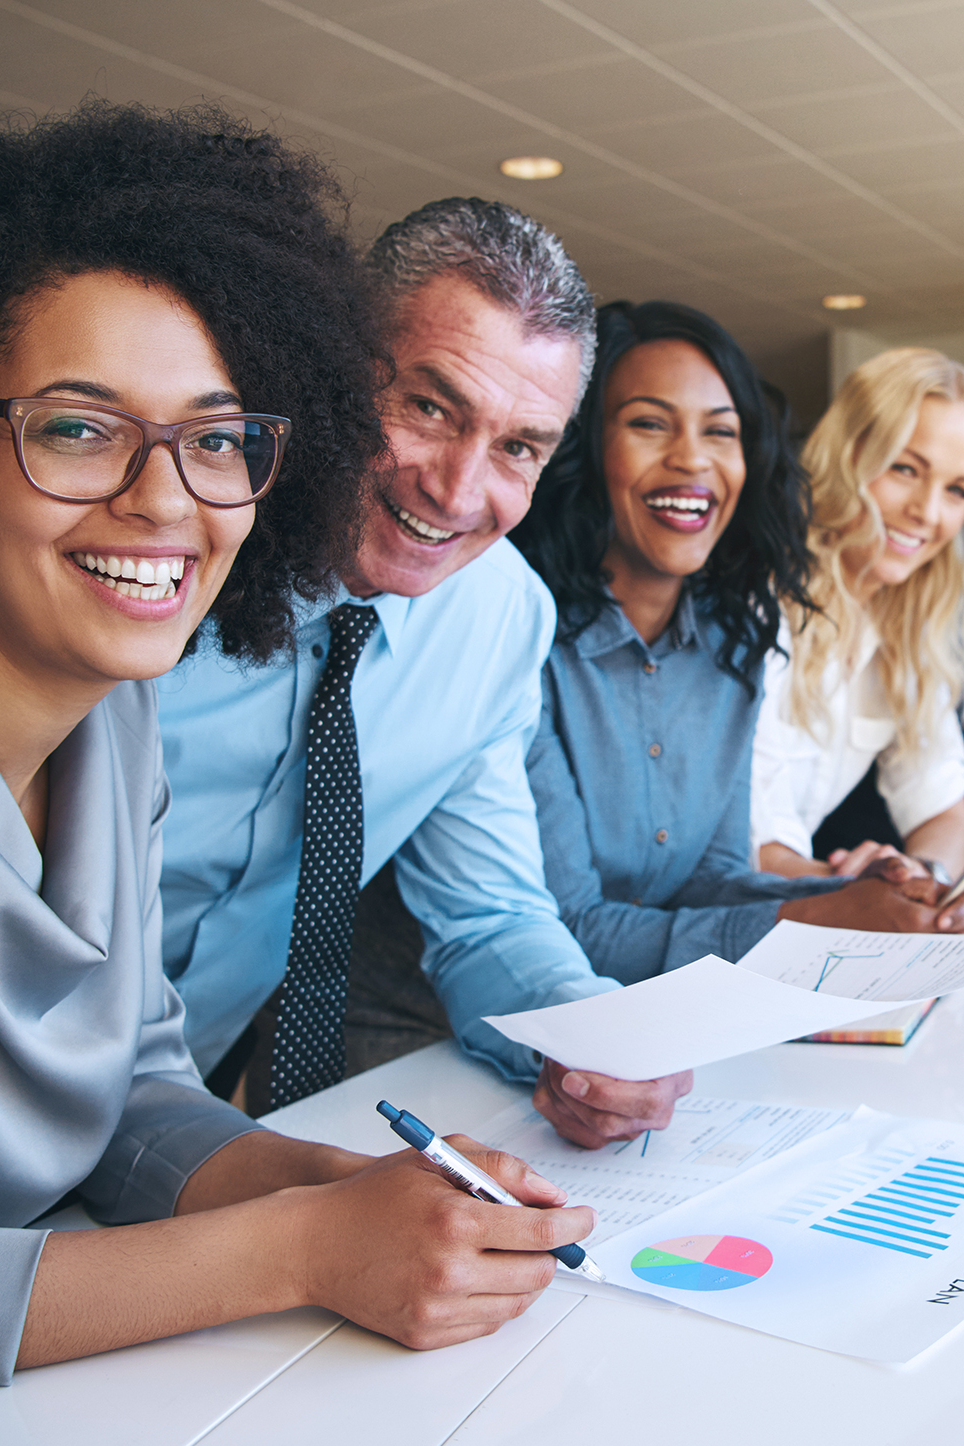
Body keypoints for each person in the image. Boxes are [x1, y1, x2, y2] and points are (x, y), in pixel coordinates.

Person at [0, 104, 594, 1388]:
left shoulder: (110, 715)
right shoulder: (135, 637)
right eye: (77, 427)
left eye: (210, 440)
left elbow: (128, 1085)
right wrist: (301, 1243)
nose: (161, 499)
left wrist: (354, 1193)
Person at [158, 198, 693, 1151]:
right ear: (334, 367)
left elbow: (488, 918)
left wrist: (586, 1037)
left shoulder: (500, 617)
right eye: (430, 407)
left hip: (162, 1120)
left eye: (518, 448)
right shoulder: (161, 551)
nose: (456, 491)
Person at [510, 302, 964, 999]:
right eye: (649, 423)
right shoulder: (536, 640)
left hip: (653, 1000)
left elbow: (706, 874)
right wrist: (821, 907)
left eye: (719, 432)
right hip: (487, 1022)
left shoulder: (720, 639)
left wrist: (899, 889)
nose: (928, 513)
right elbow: (574, 926)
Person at [752, 347, 964, 886]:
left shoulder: (903, 622)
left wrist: (921, 873)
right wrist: (863, 893)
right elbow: (742, 837)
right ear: (849, 454)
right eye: (905, 469)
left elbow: (946, 806)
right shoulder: (756, 599)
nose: (928, 512)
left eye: (956, 489)